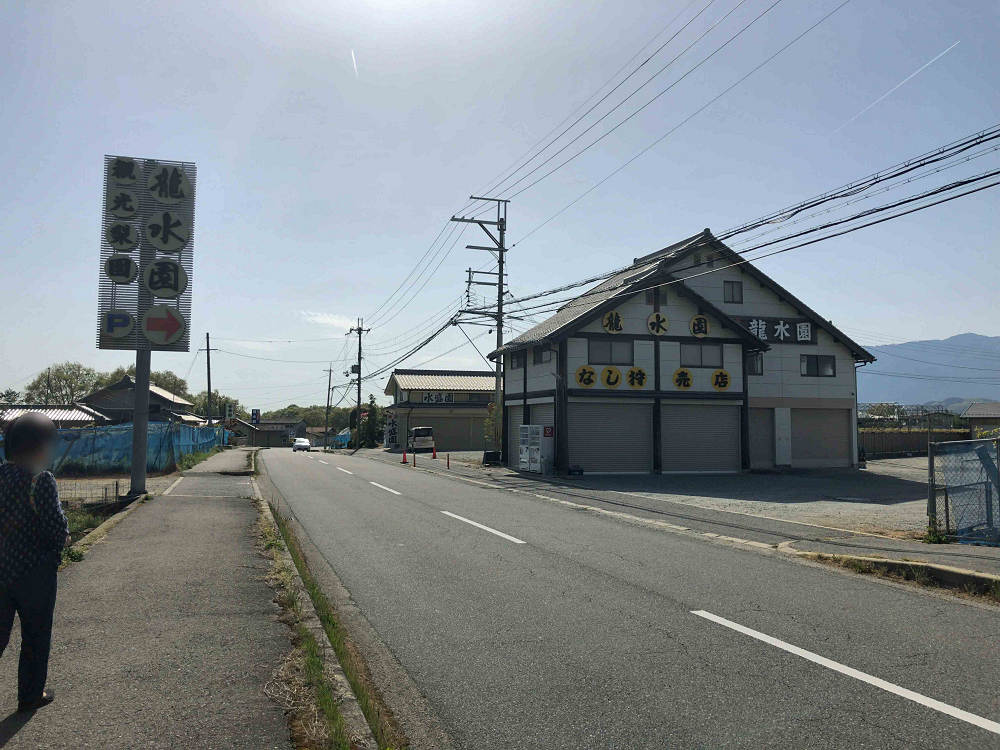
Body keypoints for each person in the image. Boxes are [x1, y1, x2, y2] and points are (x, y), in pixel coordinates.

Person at [0, 413, 68, 712]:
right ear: (39, 446)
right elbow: (55, 526)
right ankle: (30, 696)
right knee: (35, 635)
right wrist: (62, 542)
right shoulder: (41, 479)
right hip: (34, 574)